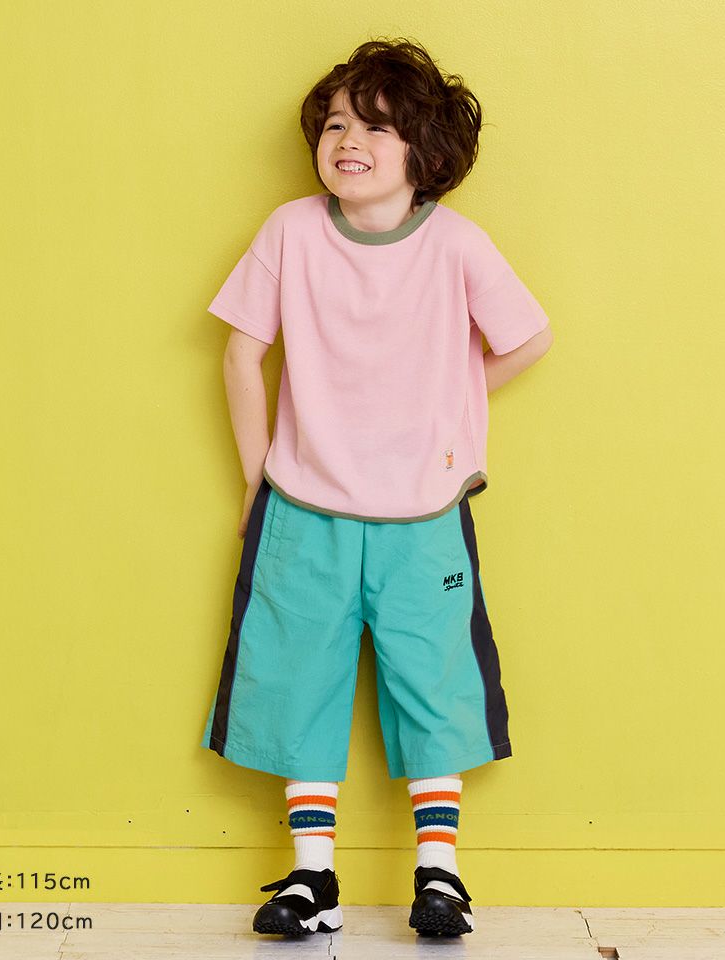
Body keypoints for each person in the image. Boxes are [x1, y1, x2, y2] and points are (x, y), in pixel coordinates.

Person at [200, 37, 553, 939]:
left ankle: (441, 874)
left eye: (375, 127)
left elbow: (528, 338)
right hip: (302, 507)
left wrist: (453, 400)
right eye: (334, 125)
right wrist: (255, 480)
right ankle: (312, 875)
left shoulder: (457, 245)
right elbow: (241, 354)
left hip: (423, 513)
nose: (347, 140)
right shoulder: (290, 231)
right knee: (296, 677)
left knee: (435, 682)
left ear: (423, 149)